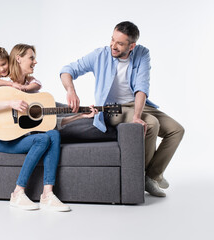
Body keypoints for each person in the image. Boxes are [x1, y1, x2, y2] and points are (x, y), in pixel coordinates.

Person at [0, 44, 98, 211]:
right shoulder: (0, 83)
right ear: (19, 59)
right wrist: (10, 103)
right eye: (31, 58)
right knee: (42, 139)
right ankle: (17, 193)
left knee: (53, 134)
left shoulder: (31, 89)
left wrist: (80, 116)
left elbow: (49, 122)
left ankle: (47, 194)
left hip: (21, 136)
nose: (35, 62)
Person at [60, 21, 185, 197]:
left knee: (176, 130)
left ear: (132, 46)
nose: (113, 45)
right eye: (112, 40)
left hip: (138, 104)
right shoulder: (100, 55)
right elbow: (67, 70)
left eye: (120, 43)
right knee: (151, 123)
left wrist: (136, 115)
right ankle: (142, 176)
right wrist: (70, 90)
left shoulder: (142, 54)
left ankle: (152, 175)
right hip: (112, 109)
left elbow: (142, 87)